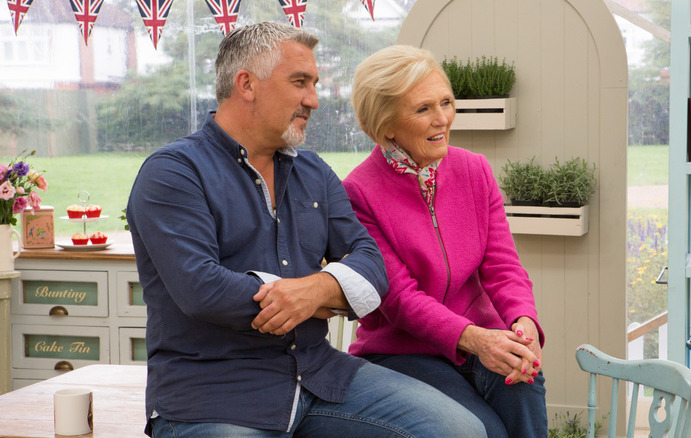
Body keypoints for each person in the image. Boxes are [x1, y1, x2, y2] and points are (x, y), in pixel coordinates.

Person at [127, 23, 488, 438]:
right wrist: (314, 295)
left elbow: (372, 266)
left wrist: (315, 292)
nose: (313, 100)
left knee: (459, 430)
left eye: (314, 84)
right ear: (246, 84)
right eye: (300, 82)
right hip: (212, 393)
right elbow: (203, 290)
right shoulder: (173, 172)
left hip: (319, 375)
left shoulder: (313, 172)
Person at [343, 45, 548, 438]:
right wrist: (476, 339)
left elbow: (504, 267)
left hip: (482, 338)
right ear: (387, 124)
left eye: (446, 103)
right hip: (403, 353)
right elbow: (399, 299)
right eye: (422, 109)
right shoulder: (357, 193)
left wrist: (523, 324)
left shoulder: (475, 170)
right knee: (484, 432)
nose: (442, 119)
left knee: (524, 381)